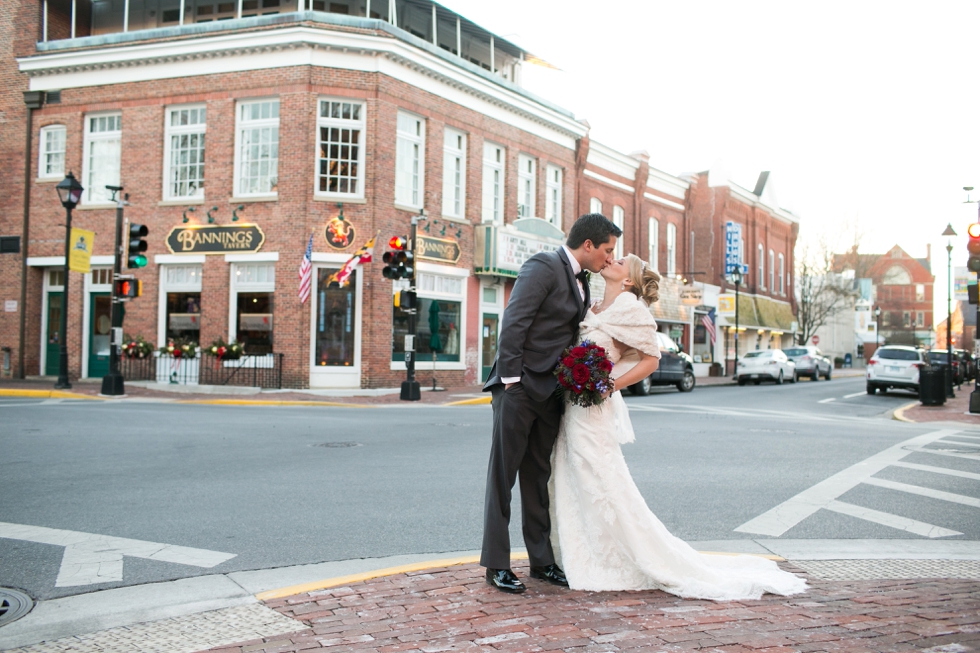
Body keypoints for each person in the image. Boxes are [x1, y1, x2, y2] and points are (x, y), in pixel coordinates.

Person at [549, 253, 807, 600]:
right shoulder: (593, 305)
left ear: (628, 281)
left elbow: (651, 360)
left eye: (621, 261)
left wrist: (611, 384)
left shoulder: (632, 309)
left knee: (600, 476)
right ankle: (582, 548)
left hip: (595, 408)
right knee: (572, 474)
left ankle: (616, 555)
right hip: (573, 404)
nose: (612, 259)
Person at [481, 213, 622, 593]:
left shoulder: (584, 281)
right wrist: (511, 381)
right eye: (608, 250)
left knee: (537, 478)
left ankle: (541, 562)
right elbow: (514, 321)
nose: (610, 258)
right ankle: (496, 564)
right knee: (503, 478)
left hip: (553, 393)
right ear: (588, 244)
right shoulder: (543, 265)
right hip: (521, 388)